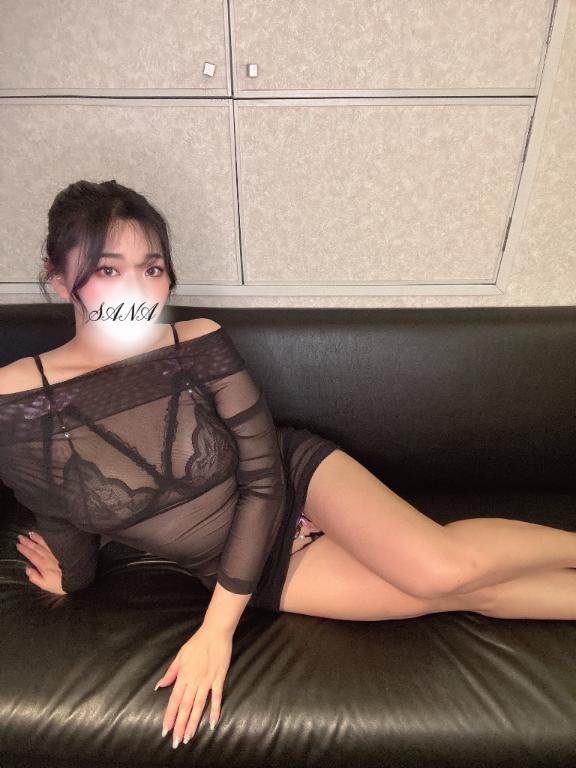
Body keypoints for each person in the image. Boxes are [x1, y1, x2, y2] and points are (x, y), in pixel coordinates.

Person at [2, 180, 576, 749]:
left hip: (294, 479)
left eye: (152, 268)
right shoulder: (17, 400)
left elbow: (262, 476)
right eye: (108, 269)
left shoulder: (195, 342)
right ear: (59, 278)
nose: (136, 288)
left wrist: (216, 631)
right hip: (243, 565)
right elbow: (60, 514)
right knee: (463, 594)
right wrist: (73, 579)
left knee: (440, 572)